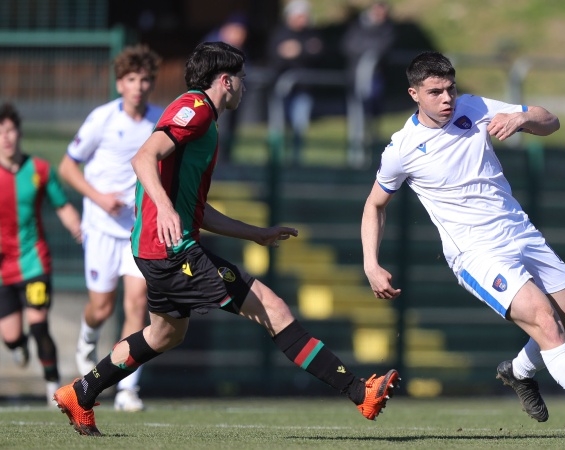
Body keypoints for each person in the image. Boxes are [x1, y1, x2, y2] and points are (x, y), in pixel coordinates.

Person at [52, 41, 399, 437]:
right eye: (242, 80)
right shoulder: (196, 110)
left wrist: (254, 233)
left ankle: (81, 392)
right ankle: (360, 393)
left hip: (157, 248)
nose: (245, 87)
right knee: (273, 308)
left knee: (165, 333)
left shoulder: (203, 118)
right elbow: (143, 157)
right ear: (225, 81)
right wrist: (164, 209)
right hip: (170, 249)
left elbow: (198, 209)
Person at [361, 51, 565, 442]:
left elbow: (551, 121)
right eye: (435, 92)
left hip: (520, 232)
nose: (446, 99)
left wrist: (523, 118)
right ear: (414, 94)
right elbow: (374, 204)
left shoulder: (474, 106)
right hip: (476, 253)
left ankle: (518, 371)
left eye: (450, 89)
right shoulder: (402, 148)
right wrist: (370, 263)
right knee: (545, 322)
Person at [58, 44, 164, 412]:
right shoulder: (102, 118)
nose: (139, 86)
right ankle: (87, 339)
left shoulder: (160, 120)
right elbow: (67, 168)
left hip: (138, 231)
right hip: (102, 227)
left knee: (136, 306)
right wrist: (99, 197)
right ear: (120, 84)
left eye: (146, 79)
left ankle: (127, 389)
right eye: (131, 79)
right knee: (101, 309)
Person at [0, 102, 82, 407]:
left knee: (38, 324)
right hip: (2, 269)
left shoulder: (39, 169)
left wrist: (77, 227)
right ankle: (16, 346)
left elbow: (61, 205)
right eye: (0, 132)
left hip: (34, 262)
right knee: (11, 337)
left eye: (11, 130)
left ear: (19, 133)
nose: (6, 137)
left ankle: (52, 386)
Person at [267, 0, 324, 164]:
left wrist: (298, 50)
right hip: (281, 89)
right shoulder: (279, 34)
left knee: (300, 125)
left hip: (303, 88)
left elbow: (317, 52)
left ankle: (296, 160)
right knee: (277, 125)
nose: (302, 20)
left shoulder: (311, 34)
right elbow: (275, 56)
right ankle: (275, 160)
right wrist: (291, 52)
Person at [341, 1, 395, 167]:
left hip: (375, 79)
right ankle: (356, 157)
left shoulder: (386, 29)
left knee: (372, 117)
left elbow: (382, 48)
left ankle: (371, 155)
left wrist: (367, 50)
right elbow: (348, 46)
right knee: (356, 115)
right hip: (356, 78)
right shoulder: (358, 26)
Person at [202, 12, 251, 163]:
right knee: (214, 129)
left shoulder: (237, 48)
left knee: (229, 129)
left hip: (231, 96)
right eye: (238, 32)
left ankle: (224, 160)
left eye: (243, 33)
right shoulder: (212, 45)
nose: (241, 37)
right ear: (228, 29)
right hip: (213, 97)